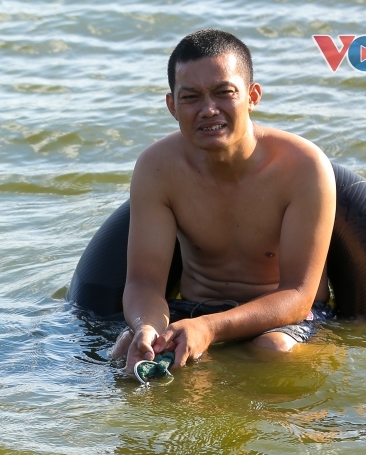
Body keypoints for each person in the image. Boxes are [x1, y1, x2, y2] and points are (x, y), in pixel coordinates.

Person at [112, 29, 336, 373]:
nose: (209, 109)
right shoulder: (156, 167)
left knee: (272, 349)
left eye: (223, 93)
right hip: (195, 307)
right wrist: (147, 327)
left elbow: (298, 295)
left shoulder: (303, 166)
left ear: (252, 95)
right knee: (127, 348)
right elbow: (144, 282)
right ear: (172, 105)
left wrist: (211, 329)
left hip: (280, 316)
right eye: (191, 97)